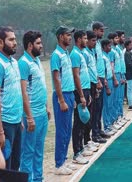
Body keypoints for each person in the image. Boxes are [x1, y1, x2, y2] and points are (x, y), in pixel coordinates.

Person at [18, 31, 50, 181]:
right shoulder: (23, 63)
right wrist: (29, 118)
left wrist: (47, 106)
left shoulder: (36, 61)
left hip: (42, 113)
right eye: (38, 43)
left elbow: (41, 86)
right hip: (31, 116)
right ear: (30, 45)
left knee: (39, 150)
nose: (41, 46)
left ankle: (39, 178)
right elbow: (23, 92)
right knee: (28, 152)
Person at [0, 27, 23, 171]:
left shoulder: (14, 62)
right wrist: (0, 131)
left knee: (16, 162)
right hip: (5, 123)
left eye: (15, 39)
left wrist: (20, 118)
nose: (15, 43)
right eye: (11, 40)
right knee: (6, 165)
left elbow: (16, 92)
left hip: (16, 121)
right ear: (0, 42)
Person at [50, 26, 76, 175]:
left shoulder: (66, 53)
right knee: (61, 130)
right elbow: (56, 78)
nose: (69, 37)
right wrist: (61, 100)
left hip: (69, 94)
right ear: (60, 37)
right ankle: (59, 164)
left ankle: (64, 161)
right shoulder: (56, 55)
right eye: (67, 35)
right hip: (62, 95)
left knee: (67, 130)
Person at [70, 30, 95, 165]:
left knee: (84, 121)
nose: (86, 40)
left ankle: (82, 147)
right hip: (79, 92)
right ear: (79, 39)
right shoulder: (75, 54)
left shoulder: (80, 53)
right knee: (79, 123)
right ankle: (77, 152)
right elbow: (76, 76)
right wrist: (80, 95)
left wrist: (88, 93)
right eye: (85, 38)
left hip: (85, 90)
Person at [83, 31, 107, 145]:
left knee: (98, 108)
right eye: (93, 41)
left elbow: (94, 68)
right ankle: (93, 135)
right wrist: (96, 81)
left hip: (96, 81)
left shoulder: (92, 51)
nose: (95, 43)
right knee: (92, 111)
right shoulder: (85, 53)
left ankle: (97, 131)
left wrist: (98, 80)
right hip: (89, 84)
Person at [92, 22, 110, 140]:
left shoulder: (98, 44)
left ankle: (99, 129)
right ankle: (95, 134)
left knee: (100, 106)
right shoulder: (93, 45)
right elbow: (93, 63)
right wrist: (98, 78)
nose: (103, 33)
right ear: (95, 30)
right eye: (101, 31)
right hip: (96, 78)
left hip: (101, 76)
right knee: (96, 107)